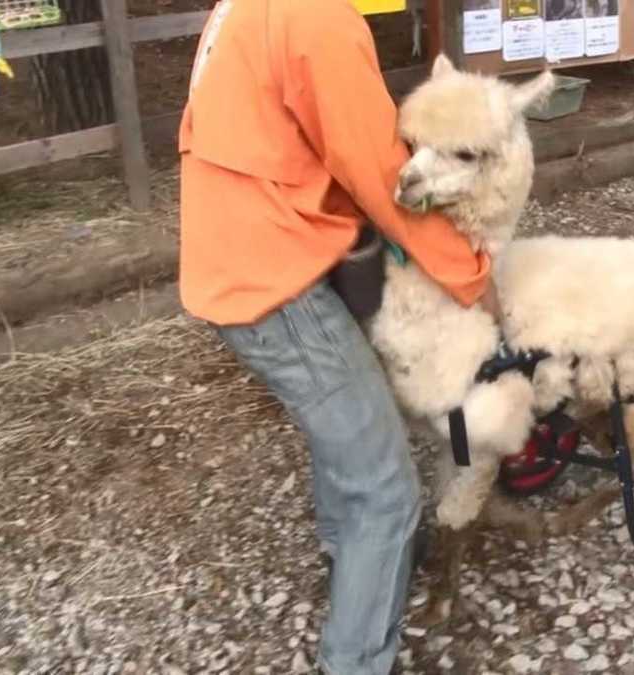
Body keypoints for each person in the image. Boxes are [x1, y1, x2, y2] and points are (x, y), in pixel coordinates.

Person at [176, 0, 498, 672]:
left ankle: (349, 560)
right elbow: (386, 175)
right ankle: (355, 656)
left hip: (233, 247)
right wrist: (470, 274)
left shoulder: (245, 7)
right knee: (386, 489)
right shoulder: (317, 17)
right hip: (273, 279)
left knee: (347, 425)